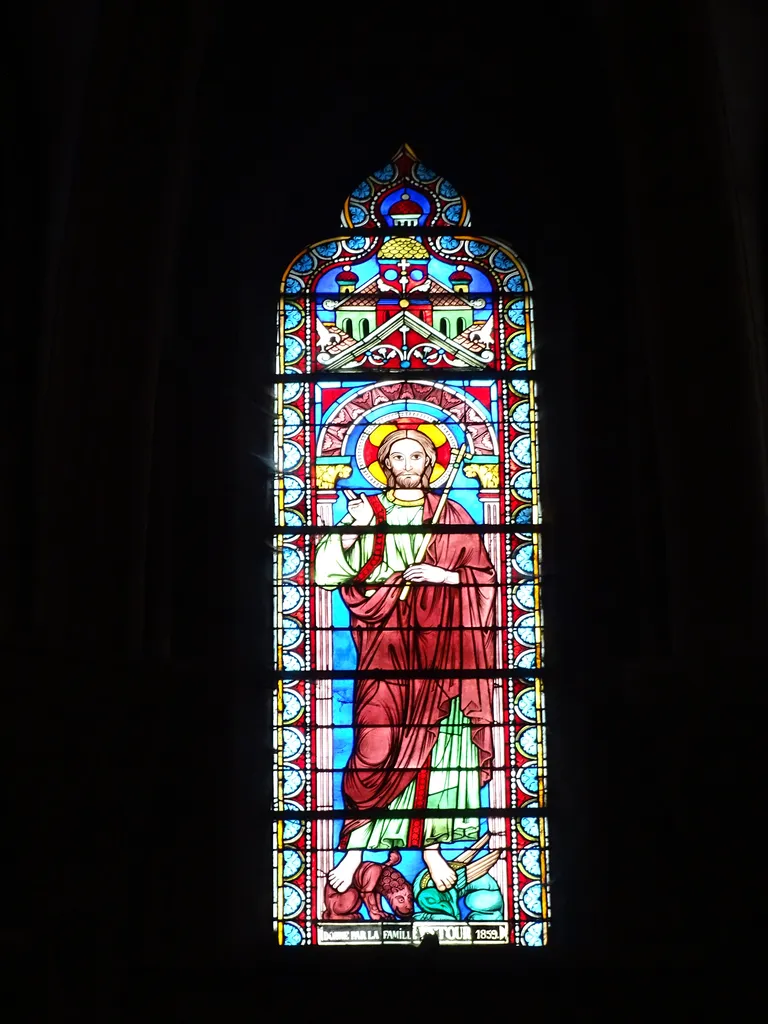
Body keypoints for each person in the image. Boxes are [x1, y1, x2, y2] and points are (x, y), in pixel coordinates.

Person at [314, 425, 497, 894]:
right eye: (399, 457)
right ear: (385, 465)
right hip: (385, 648)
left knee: (438, 748)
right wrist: (354, 528)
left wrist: (444, 576)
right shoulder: (369, 511)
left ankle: (431, 843)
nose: (409, 465)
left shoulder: (453, 515)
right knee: (374, 746)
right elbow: (325, 573)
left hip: (442, 653)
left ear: (431, 465)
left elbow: (485, 581)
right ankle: (355, 847)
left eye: (418, 457)